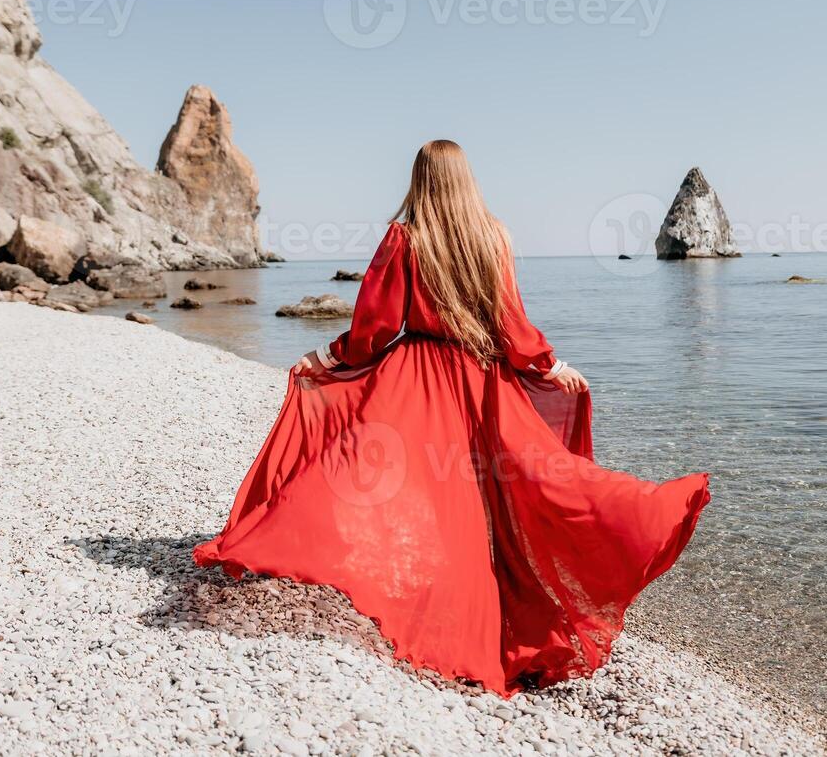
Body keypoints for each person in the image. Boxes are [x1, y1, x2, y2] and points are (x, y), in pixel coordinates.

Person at [195, 140, 709, 696]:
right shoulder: (494, 236)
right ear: (467, 178)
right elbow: (510, 323)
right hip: (485, 378)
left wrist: (329, 358)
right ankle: (630, 522)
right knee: (520, 487)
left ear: (420, 179)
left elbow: (376, 325)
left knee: (383, 481)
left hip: (415, 375)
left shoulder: (405, 238)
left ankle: (409, 588)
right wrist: (548, 365)